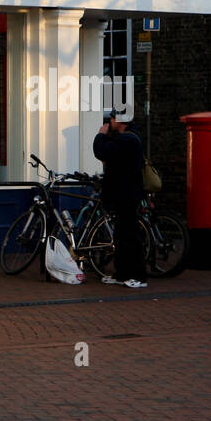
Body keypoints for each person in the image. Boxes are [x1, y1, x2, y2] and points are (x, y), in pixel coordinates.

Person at [92, 110, 147, 288]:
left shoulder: (128, 139)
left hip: (127, 194)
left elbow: (101, 151)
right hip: (123, 193)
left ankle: (138, 276)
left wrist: (100, 134)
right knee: (121, 236)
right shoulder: (127, 138)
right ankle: (122, 274)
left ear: (120, 122)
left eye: (112, 119)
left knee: (130, 235)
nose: (110, 122)